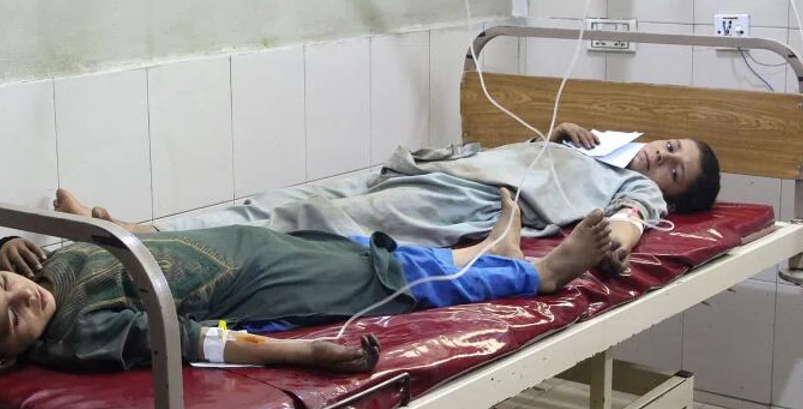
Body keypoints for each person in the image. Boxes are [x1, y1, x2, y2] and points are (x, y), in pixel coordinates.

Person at [0, 190, 617, 385]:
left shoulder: (26, 274)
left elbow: (7, 275)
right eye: (13, 318)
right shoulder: (79, 336)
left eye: (2, 283)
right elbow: (193, 342)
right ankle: (542, 272)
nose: (25, 296)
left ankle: (487, 252)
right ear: (2, 361)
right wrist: (303, 354)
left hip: (250, 248)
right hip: (265, 287)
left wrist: (1, 249)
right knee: (391, 277)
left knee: (375, 250)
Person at [141, 123, 721, 275]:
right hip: (425, 170)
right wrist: (553, 138)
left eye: (674, 172)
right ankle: (153, 231)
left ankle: (166, 254)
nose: (660, 160)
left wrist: (615, 244)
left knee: (306, 220)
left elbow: (630, 222)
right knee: (288, 196)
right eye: (670, 148)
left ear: (672, 195)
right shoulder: (597, 143)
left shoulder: (636, 188)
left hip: (462, 202)